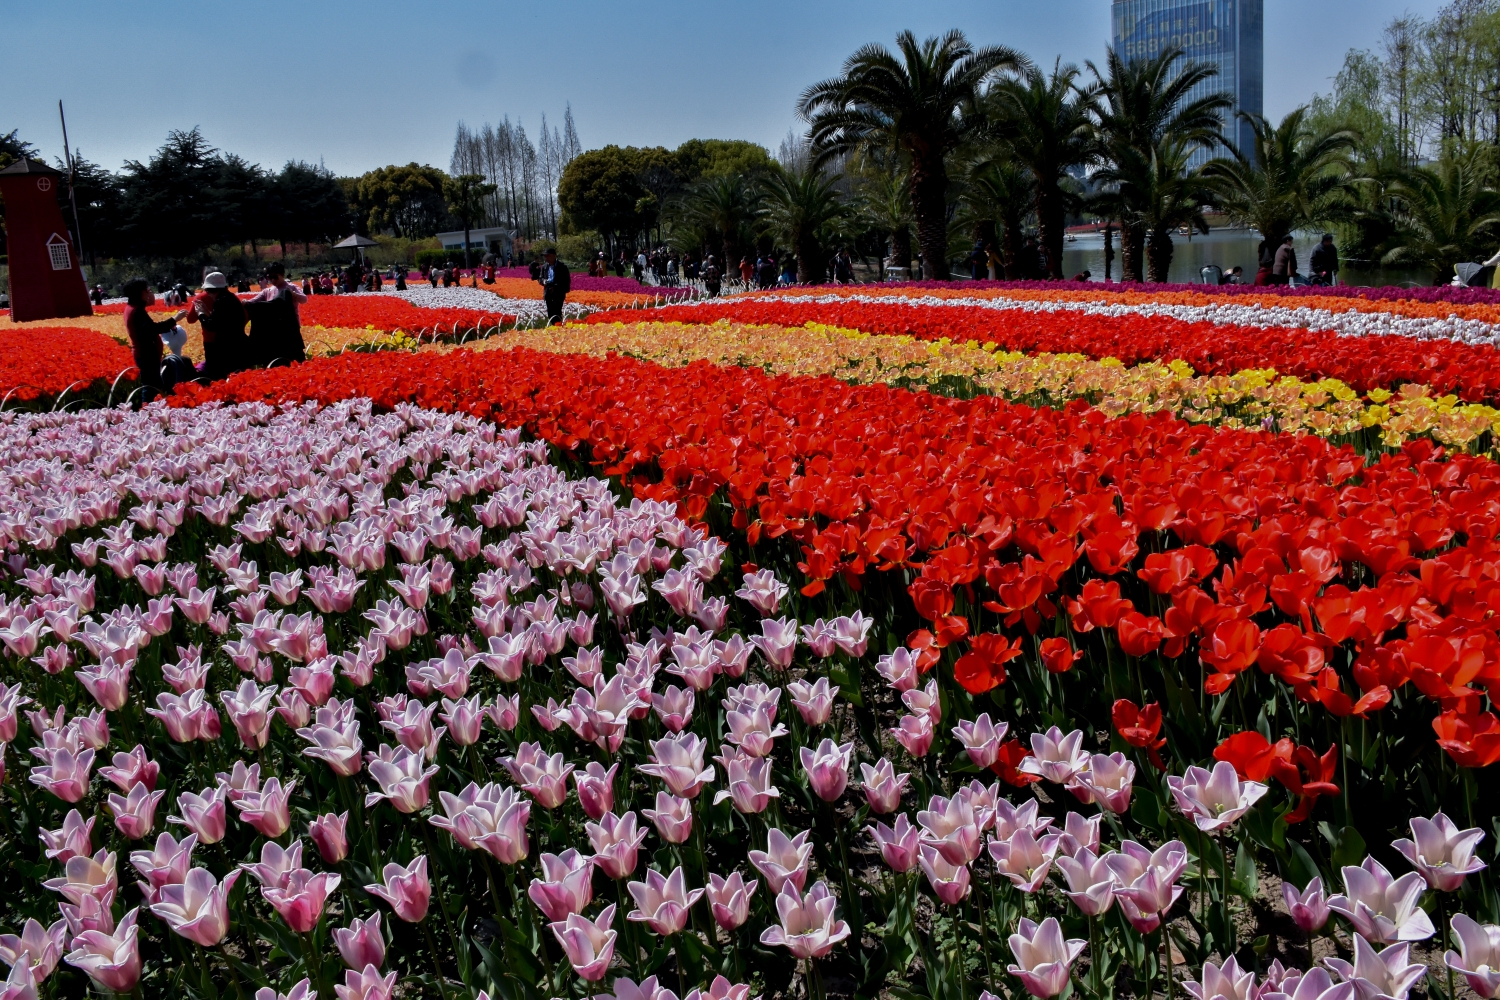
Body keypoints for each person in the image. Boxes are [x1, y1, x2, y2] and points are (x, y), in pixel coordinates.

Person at [121, 276, 187, 400]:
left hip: (145, 353)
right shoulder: (136, 311)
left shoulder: (134, 308)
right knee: (151, 387)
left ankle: (150, 410)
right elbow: (152, 329)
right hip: (146, 354)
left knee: (153, 385)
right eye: (146, 289)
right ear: (139, 292)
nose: (149, 292)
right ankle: (146, 411)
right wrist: (175, 319)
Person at [184, 271, 251, 380]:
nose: (208, 294)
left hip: (226, 348)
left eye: (208, 291)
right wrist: (208, 314)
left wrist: (200, 313)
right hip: (240, 343)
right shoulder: (231, 298)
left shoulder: (221, 301)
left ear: (214, 290)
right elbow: (224, 321)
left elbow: (210, 326)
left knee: (220, 377)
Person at [245, 261, 308, 367]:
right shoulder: (267, 291)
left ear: (282, 274)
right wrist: (245, 303)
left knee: (292, 356)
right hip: (273, 330)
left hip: (290, 328)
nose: (272, 280)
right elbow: (253, 302)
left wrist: (293, 295)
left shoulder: (291, 287)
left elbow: (304, 299)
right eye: (269, 277)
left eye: (275, 277)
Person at [538, 247, 570, 326]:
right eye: (545, 256)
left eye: (548, 256)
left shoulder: (562, 267)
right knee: (550, 311)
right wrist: (543, 281)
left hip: (558, 291)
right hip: (548, 291)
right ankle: (553, 327)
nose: (546, 258)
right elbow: (540, 278)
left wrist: (556, 286)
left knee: (557, 311)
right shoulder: (544, 267)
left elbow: (566, 280)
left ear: (554, 256)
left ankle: (558, 326)